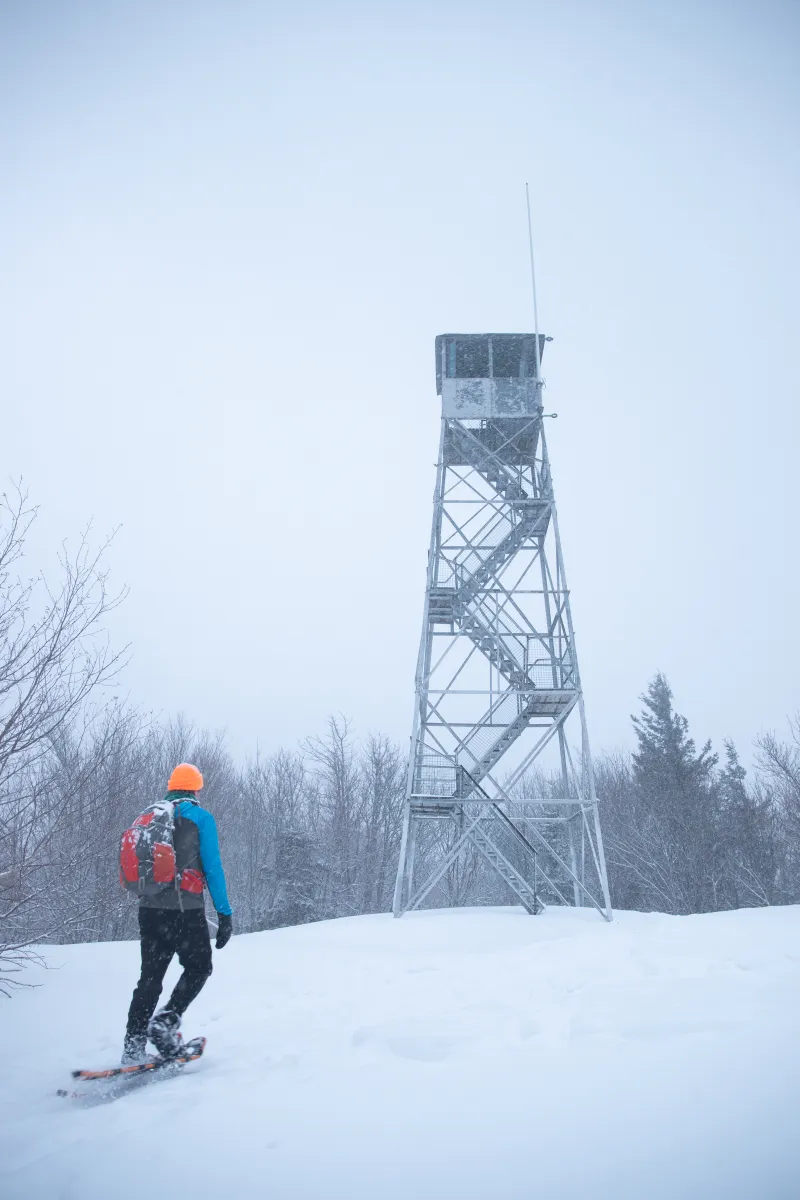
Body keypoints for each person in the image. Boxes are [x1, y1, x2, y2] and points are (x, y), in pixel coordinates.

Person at [122, 763, 233, 1063]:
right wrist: (224, 914)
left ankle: (132, 1045)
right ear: (196, 789)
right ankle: (165, 1023)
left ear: (171, 787)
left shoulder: (149, 816)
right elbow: (212, 868)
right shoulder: (200, 818)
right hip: (185, 912)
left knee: (149, 978)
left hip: (149, 910)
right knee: (199, 968)